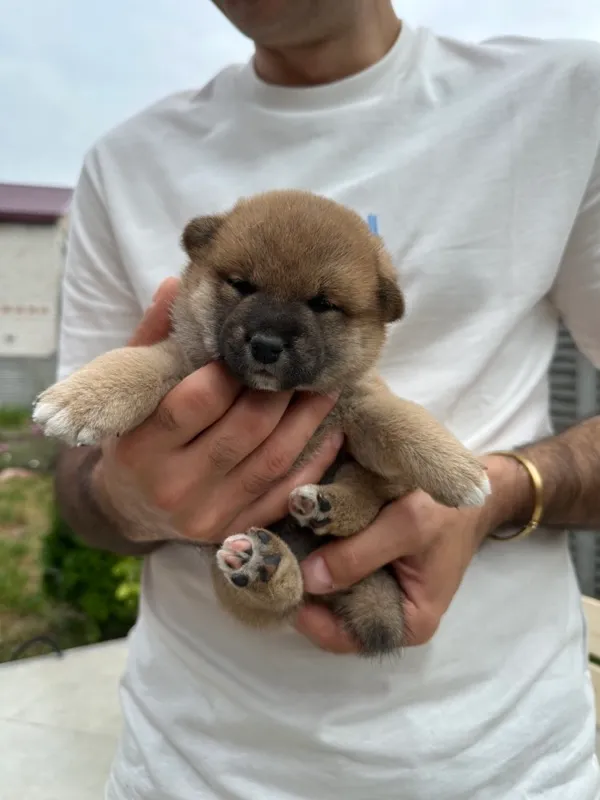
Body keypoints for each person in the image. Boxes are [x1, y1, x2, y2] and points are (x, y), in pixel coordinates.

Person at [54, 2, 600, 798]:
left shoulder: (566, 99)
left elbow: (400, 436)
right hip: (187, 765)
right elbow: (74, 469)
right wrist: (125, 496)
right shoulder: (124, 159)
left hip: (503, 766)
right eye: (239, 286)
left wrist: (505, 490)